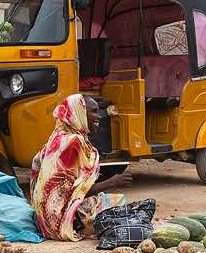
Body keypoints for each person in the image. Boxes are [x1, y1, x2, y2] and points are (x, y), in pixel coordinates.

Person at [30, 94, 133, 241]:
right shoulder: (74, 141)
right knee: (117, 202)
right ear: (79, 113)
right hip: (59, 222)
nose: (98, 117)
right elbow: (69, 193)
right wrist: (112, 182)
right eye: (93, 111)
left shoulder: (58, 135)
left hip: (45, 220)